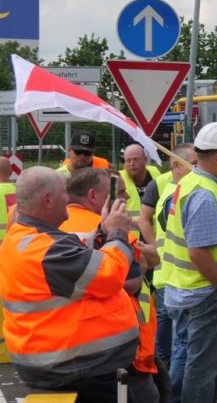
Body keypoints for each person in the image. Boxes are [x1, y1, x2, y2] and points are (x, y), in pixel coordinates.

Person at [0, 167, 140, 401]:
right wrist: (117, 233)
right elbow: (110, 274)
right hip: (77, 370)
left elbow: (73, 252)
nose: (69, 198)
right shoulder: (45, 250)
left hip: (62, 364)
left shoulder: (25, 238)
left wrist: (102, 232)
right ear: (47, 200)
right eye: (64, 193)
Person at [165, 122, 217, 403]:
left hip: (192, 291)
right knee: (206, 370)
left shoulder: (194, 183)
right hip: (209, 294)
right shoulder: (205, 193)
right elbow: (198, 252)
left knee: (198, 364)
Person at [147, 144, 197, 381]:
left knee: (179, 343)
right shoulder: (179, 195)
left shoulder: (172, 192)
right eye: (194, 165)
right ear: (176, 165)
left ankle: (168, 388)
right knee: (183, 344)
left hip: (171, 276)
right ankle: (174, 392)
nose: (199, 170)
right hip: (177, 278)